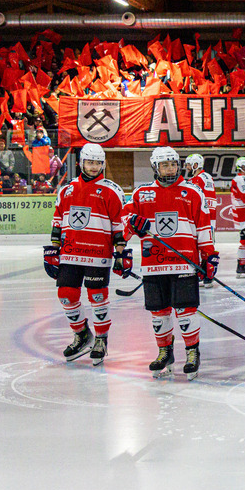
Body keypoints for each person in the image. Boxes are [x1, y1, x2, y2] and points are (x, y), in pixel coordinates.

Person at [127, 147, 218, 380]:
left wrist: (208, 256)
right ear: (155, 167)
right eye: (165, 165)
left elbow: (203, 226)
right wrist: (132, 223)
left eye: (173, 164)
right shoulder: (141, 193)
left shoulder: (193, 192)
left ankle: (192, 352)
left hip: (184, 263)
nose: (170, 169)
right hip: (153, 263)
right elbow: (125, 220)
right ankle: (164, 352)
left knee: (186, 310)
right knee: (159, 312)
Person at [44, 143, 125, 365]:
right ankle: (81, 334)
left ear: (103, 164)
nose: (94, 167)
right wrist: (53, 249)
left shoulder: (112, 190)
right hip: (70, 253)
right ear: (81, 163)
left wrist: (120, 253)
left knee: (97, 296)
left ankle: (101, 339)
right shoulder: (67, 189)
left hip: (98, 253)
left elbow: (119, 225)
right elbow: (58, 219)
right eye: (90, 162)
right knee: (66, 294)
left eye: (98, 163)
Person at [185, 154, 218, 285]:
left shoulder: (199, 179)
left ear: (195, 165)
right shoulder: (206, 177)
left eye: (189, 165)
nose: (187, 167)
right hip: (207, 218)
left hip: (202, 218)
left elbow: (198, 200)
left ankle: (203, 274)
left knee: (201, 246)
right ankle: (206, 274)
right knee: (205, 245)